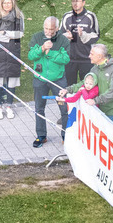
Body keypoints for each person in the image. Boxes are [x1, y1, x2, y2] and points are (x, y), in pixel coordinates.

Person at [28, 16, 69, 146]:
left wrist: (49, 52)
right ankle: (41, 136)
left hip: (58, 80)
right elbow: (31, 56)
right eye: (46, 28)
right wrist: (41, 49)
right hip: (40, 79)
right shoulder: (37, 37)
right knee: (39, 108)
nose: (48, 32)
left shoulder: (63, 40)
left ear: (57, 28)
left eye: (51, 29)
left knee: (64, 109)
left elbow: (65, 59)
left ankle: (66, 136)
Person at [61, 44, 113, 125]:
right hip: (99, 108)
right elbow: (85, 83)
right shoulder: (95, 68)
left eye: (91, 54)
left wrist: (95, 101)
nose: (89, 56)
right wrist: (68, 89)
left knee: (110, 137)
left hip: (112, 110)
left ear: (99, 56)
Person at [0, 0, 24, 119]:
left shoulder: (19, 15)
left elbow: (20, 33)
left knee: (11, 80)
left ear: (12, 3)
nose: (7, 5)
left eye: (9, 3)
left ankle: (8, 106)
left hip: (13, 50)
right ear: (1, 4)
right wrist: (8, 35)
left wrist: (6, 33)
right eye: (5, 3)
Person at [59, 0, 100, 87]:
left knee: (88, 87)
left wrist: (83, 35)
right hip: (69, 59)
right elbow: (59, 37)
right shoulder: (66, 16)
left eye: (77, 1)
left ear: (83, 3)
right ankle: (70, 102)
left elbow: (96, 35)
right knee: (69, 87)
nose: (75, 4)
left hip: (86, 59)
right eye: (73, 1)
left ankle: (86, 102)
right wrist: (66, 36)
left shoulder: (91, 16)